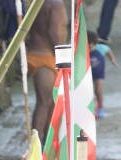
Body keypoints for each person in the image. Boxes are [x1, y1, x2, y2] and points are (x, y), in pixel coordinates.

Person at [25, 0, 68, 135]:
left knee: (50, 102)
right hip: (46, 56)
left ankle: (45, 144)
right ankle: (36, 146)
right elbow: (54, 32)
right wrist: (64, 59)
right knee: (45, 102)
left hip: (37, 52)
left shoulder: (36, 2)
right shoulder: (55, 4)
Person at [89, 31, 117, 119]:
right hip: (87, 73)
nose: (87, 49)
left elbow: (108, 50)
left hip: (99, 73)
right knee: (89, 92)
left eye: (89, 46)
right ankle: (90, 109)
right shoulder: (81, 50)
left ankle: (100, 107)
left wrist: (112, 59)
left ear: (94, 44)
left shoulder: (100, 48)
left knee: (98, 90)